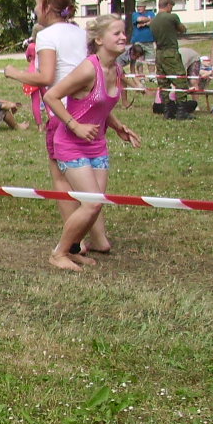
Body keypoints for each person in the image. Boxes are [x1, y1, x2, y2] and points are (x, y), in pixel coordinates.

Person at [3, 0, 106, 260]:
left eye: (37, 4)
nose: (35, 9)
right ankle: (99, 238)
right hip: (87, 111)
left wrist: (14, 73)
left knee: (62, 178)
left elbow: (46, 77)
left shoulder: (47, 36)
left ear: (47, 7)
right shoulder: (79, 32)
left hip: (61, 114)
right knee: (90, 181)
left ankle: (72, 244)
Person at [42, 15, 141, 272]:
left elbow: (99, 106)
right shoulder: (88, 69)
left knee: (96, 205)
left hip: (97, 145)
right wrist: (75, 125)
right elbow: (51, 96)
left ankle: (71, 251)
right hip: (70, 144)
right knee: (92, 203)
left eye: (124, 33)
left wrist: (118, 127)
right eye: (116, 33)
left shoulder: (116, 70)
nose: (123, 37)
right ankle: (58, 253)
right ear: (99, 39)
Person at [150, 0, 189, 119]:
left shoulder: (153, 21)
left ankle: (168, 110)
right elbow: (182, 29)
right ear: (168, 5)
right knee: (180, 80)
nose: (171, 9)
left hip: (159, 53)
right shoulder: (172, 17)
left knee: (163, 82)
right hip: (170, 52)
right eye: (171, 6)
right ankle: (181, 111)